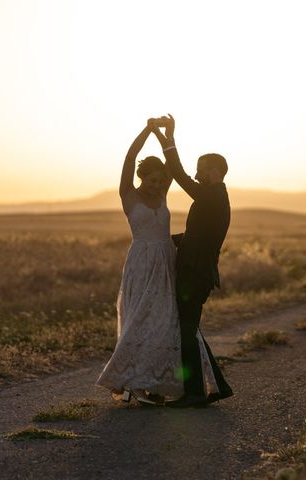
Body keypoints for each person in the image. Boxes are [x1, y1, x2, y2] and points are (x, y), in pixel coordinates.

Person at [95, 122, 220, 405]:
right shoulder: (128, 195)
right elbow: (129, 159)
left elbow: (173, 168)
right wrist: (148, 131)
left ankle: (160, 382)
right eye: (152, 180)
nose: (157, 185)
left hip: (166, 263)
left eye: (160, 181)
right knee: (139, 320)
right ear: (142, 178)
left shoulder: (163, 193)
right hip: (141, 263)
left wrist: (168, 138)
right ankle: (135, 384)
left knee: (165, 323)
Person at [150, 114, 234, 407]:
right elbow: (197, 235)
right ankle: (218, 387)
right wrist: (164, 241)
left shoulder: (211, 196)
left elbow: (180, 175)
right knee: (190, 329)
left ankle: (196, 393)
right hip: (197, 272)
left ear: (213, 172)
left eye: (201, 171)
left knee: (186, 332)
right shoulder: (214, 198)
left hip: (195, 274)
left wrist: (168, 140)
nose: (196, 176)